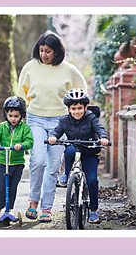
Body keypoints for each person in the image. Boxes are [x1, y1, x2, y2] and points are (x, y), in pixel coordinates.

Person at [17, 31, 87, 222]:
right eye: (41, 51)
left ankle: (46, 208)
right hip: (36, 119)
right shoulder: (30, 67)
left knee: (54, 167)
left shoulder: (69, 70)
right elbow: (21, 94)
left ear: (57, 52)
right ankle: (33, 202)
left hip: (60, 122)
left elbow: (81, 93)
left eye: (48, 51)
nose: (44, 55)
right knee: (38, 161)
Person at [48, 88, 109, 223]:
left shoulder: (91, 117)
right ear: (69, 109)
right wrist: (53, 136)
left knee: (92, 179)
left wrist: (103, 137)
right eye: (74, 108)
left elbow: (100, 129)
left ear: (85, 107)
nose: (77, 111)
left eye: (80, 108)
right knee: (69, 150)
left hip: (89, 150)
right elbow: (57, 131)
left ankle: (93, 210)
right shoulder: (64, 120)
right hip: (74, 148)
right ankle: (66, 174)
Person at [0, 96, 33, 218]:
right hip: (3, 162)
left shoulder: (24, 128)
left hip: (17, 163)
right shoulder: (2, 127)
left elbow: (29, 142)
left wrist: (22, 145)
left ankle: (10, 209)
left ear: (21, 116)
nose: (13, 119)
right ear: (6, 115)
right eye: (10, 116)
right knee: (2, 187)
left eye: (16, 116)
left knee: (12, 187)